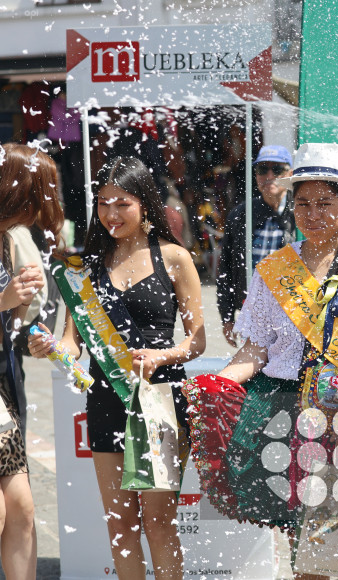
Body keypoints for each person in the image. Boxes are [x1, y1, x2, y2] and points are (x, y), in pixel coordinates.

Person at [183, 143, 338, 580]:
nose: (313, 214)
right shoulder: (274, 269)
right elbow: (255, 351)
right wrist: (219, 383)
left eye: (325, 203)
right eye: (303, 203)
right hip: (287, 413)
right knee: (306, 545)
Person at [28, 156, 205, 580]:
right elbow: (72, 342)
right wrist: (50, 348)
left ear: (145, 203)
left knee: (159, 522)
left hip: (160, 399)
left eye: (122, 203)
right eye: (103, 203)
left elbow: (196, 340)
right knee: (121, 525)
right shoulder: (85, 268)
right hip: (107, 398)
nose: (111, 213)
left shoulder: (175, 257)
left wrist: (161, 356)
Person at [0, 142, 61, 580]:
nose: (45, 203)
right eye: (41, 191)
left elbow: (11, 324)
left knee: (21, 507)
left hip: (5, 383)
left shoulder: (7, 239)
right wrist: (5, 299)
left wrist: (22, 308)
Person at [217, 145, 295, 347]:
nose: (269, 176)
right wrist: (227, 317)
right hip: (252, 311)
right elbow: (225, 269)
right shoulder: (241, 214)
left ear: (290, 174)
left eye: (277, 169)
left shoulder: (300, 213)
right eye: (262, 169)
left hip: (293, 311)